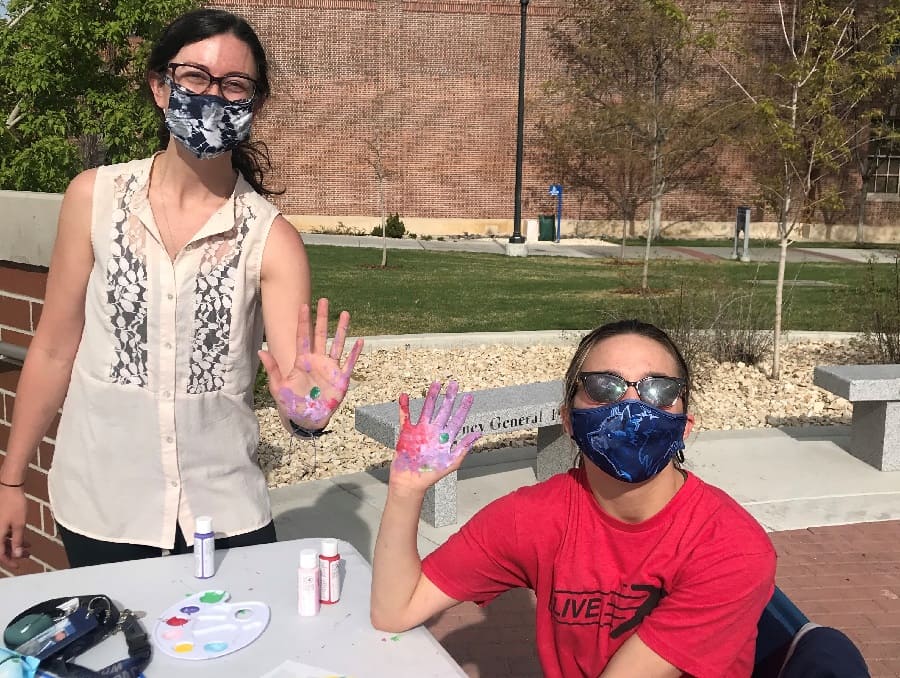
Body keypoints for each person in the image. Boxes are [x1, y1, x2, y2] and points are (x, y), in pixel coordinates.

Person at [0, 8, 362, 570]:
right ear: (160, 85)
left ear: (255, 104)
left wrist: (310, 409)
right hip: (100, 508)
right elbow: (51, 348)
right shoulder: (93, 198)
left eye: (234, 85)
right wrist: (11, 479)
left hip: (223, 517)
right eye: (195, 77)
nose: (213, 96)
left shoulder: (273, 239)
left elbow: (296, 389)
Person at [371, 319, 776, 678]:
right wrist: (407, 491)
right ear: (568, 419)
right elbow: (396, 609)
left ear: (684, 424)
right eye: (604, 386)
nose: (632, 405)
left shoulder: (732, 548)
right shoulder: (532, 518)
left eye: (658, 389)